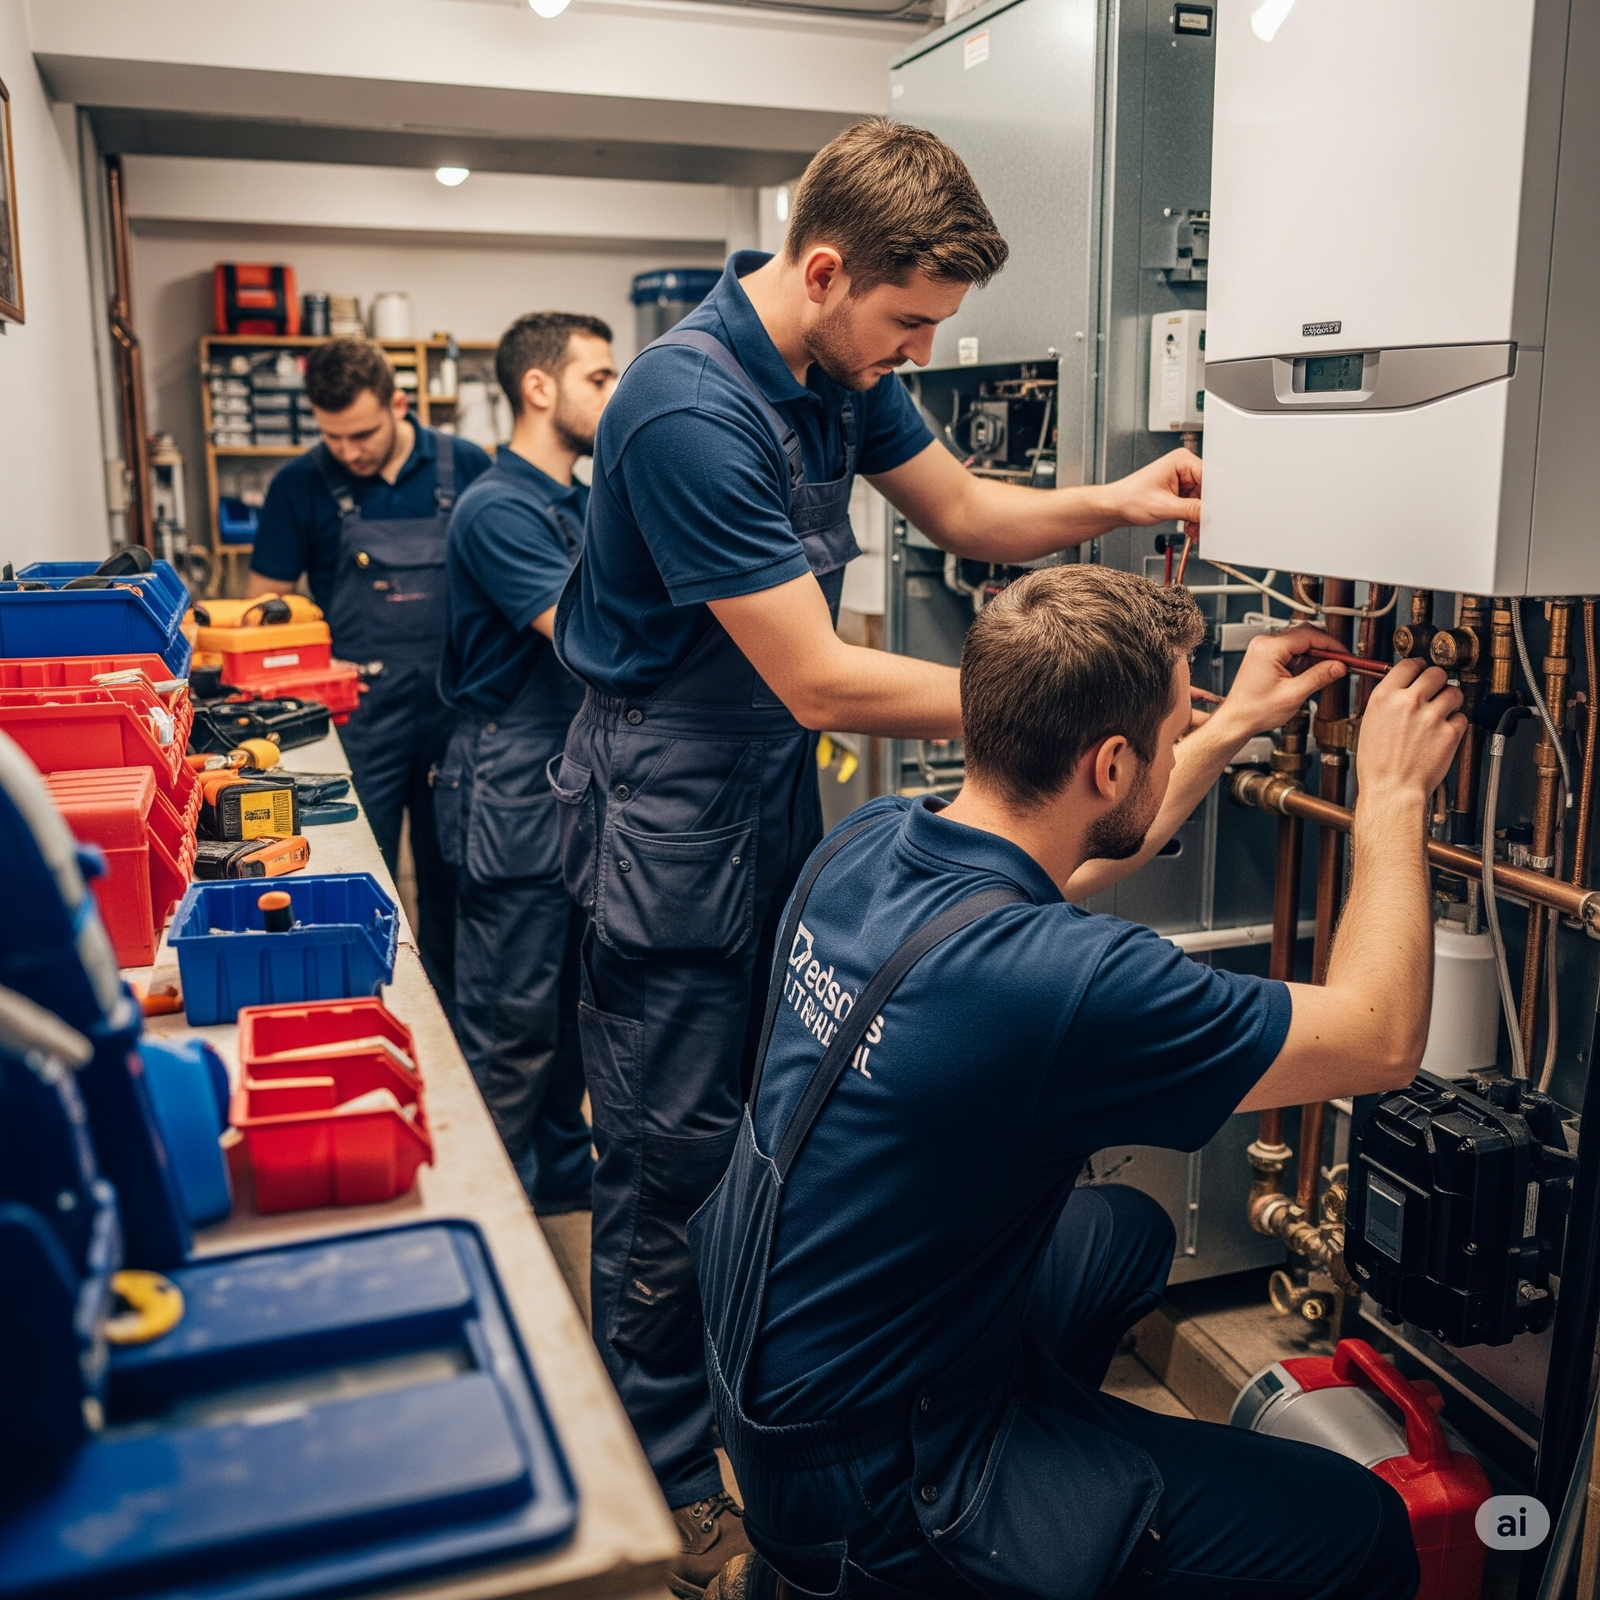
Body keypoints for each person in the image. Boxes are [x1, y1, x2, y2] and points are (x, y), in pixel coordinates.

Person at [550, 117, 1209, 1588]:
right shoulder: (684, 406)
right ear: (828, 268)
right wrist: (1075, 701)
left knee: (775, 1130)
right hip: (665, 810)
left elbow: (967, 512)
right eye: (909, 322)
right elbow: (822, 679)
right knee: (669, 1166)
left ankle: (767, 1420)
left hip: (764, 794)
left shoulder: (835, 370)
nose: (917, 350)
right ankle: (665, 1497)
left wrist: (1120, 498)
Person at [691, 565, 1463, 1600]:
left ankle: (1046, 1493)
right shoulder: (1063, 986)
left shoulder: (865, 841)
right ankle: (965, 1553)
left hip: (764, 1386)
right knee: (1359, 1529)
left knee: (1124, 1235)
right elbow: (1378, 1039)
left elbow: (1068, 861)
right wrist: (1393, 794)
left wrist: (1229, 723)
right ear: (1109, 761)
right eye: (1171, 723)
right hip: (869, 1486)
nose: (1180, 733)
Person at [248, 339, 493, 1014]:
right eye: (332, 437)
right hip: (359, 723)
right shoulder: (300, 483)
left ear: (398, 403)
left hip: (456, 717)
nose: (349, 452)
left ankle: (454, 1024)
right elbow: (264, 612)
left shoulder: (466, 466)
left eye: (362, 434)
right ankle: (375, 1016)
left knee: (457, 881)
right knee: (358, 876)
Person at [435, 313, 617, 1218]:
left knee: (564, 1024)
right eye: (600, 377)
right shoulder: (495, 508)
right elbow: (581, 636)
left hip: (569, 782)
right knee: (510, 1027)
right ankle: (486, 1220)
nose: (614, 394)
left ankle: (553, 1189)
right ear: (538, 389)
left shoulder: (579, 501)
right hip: (509, 784)